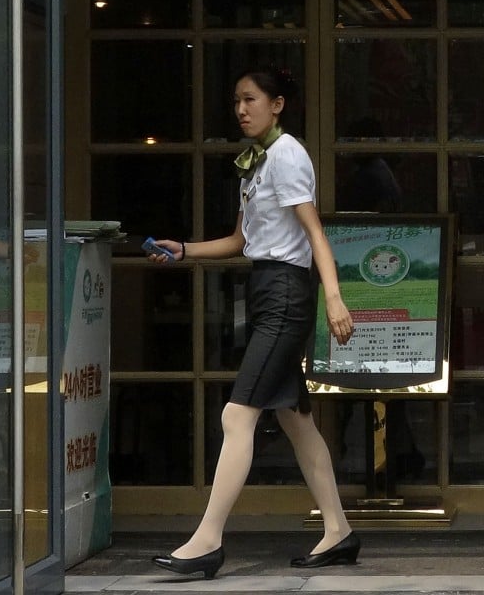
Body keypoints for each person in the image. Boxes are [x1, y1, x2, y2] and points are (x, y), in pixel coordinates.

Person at [147, 66, 359, 579]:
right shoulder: (256, 160)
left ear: (277, 104)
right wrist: (185, 250)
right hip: (267, 289)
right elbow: (240, 242)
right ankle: (339, 531)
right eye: (237, 101)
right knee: (294, 418)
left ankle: (207, 541)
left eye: (251, 99)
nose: (241, 109)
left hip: (286, 292)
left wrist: (335, 297)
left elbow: (314, 232)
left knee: (237, 416)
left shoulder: (286, 154)